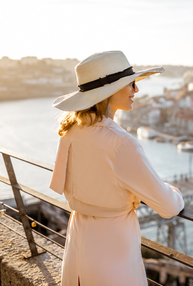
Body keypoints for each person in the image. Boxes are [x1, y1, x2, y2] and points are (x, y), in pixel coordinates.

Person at [49, 51, 184, 286]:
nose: (136, 90)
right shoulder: (121, 143)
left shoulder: (70, 132)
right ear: (112, 90)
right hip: (113, 250)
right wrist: (174, 191)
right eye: (131, 84)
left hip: (79, 243)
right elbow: (169, 207)